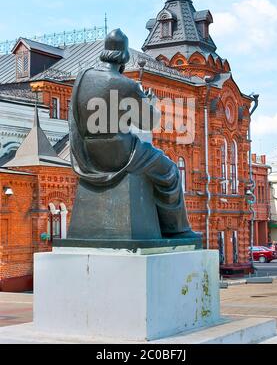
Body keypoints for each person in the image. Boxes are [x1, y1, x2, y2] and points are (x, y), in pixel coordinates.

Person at [69, 28, 201, 240]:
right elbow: (149, 121)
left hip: (88, 152)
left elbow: (75, 116)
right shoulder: (127, 84)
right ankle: (177, 231)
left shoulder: (83, 77)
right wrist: (150, 102)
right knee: (169, 172)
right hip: (121, 153)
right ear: (123, 58)